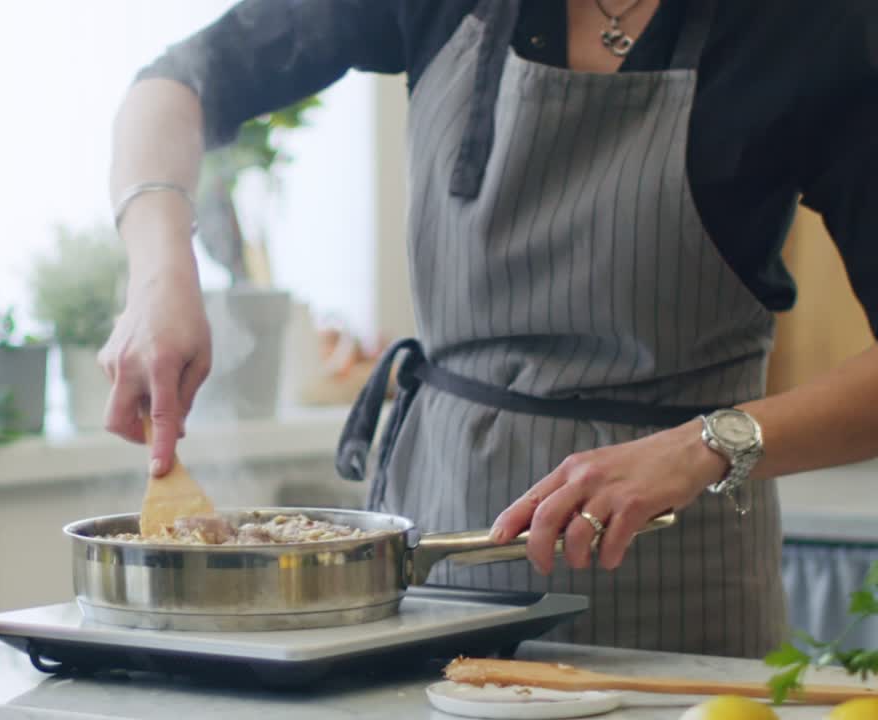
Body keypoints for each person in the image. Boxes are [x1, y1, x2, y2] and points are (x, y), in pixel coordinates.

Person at [97, 0, 878, 657]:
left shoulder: (818, 28)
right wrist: (160, 274)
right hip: (434, 583)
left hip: (680, 590)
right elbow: (178, 84)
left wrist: (705, 445)